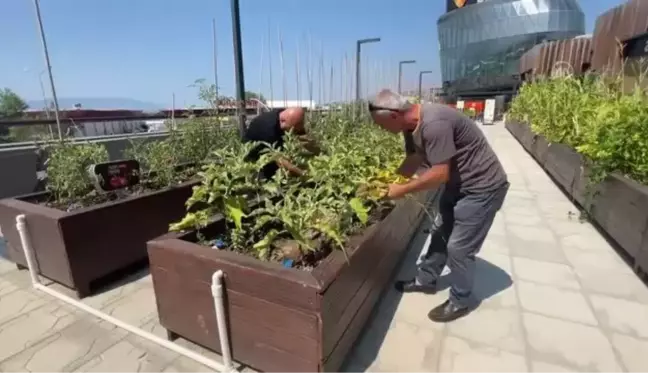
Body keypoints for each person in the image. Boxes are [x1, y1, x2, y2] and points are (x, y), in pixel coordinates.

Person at [368, 89, 509, 323]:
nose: (381, 130)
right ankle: (426, 280)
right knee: (440, 233)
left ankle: (460, 300)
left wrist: (401, 190)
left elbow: (439, 174)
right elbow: (414, 159)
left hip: (482, 187)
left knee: (459, 248)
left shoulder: (434, 123)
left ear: (393, 115)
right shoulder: (409, 127)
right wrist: (389, 182)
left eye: (381, 125)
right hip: (458, 184)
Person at [243, 107, 309, 180]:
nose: (294, 132)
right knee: (265, 181)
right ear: (283, 122)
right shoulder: (268, 130)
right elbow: (279, 159)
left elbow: (303, 135)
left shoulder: (283, 114)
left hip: (272, 150)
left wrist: (318, 153)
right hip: (256, 160)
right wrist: (304, 174)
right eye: (293, 129)